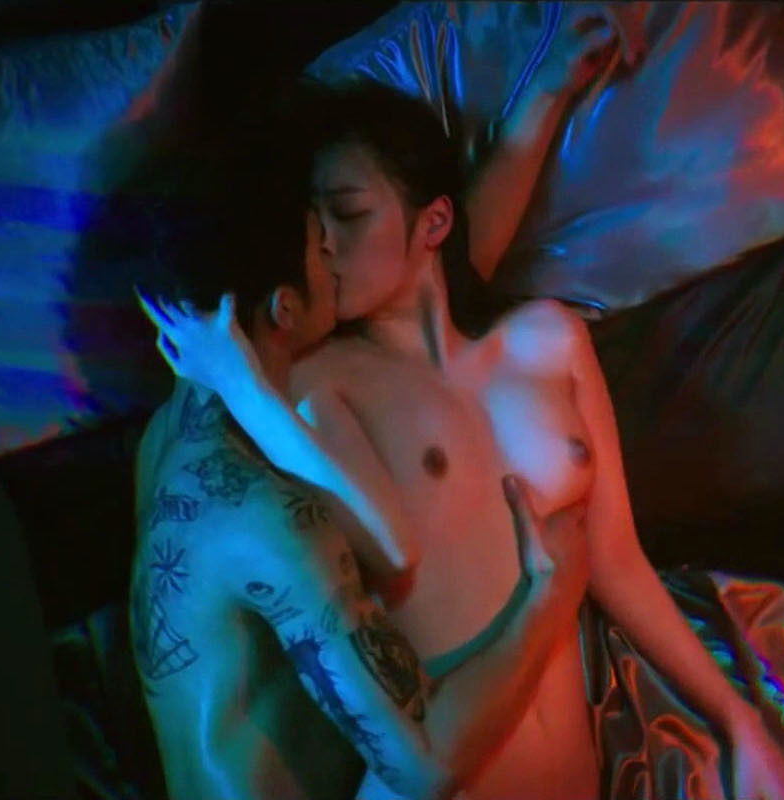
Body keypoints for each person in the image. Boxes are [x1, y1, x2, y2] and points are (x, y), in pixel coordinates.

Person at [143, 11, 784, 800]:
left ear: (432, 224)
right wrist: (239, 381)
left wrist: (738, 722)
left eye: (346, 217)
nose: (325, 247)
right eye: (314, 229)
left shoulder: (546, 339)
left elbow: (618, 561)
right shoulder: (312, 385)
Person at [115, 139, 593, 800]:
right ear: (285, 309)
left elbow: (392, 546)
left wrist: (536, 112)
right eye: (322, 246)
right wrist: (548, 599)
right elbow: (424, 766)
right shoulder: (271, 517)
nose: (338, 258)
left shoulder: (167, 434)